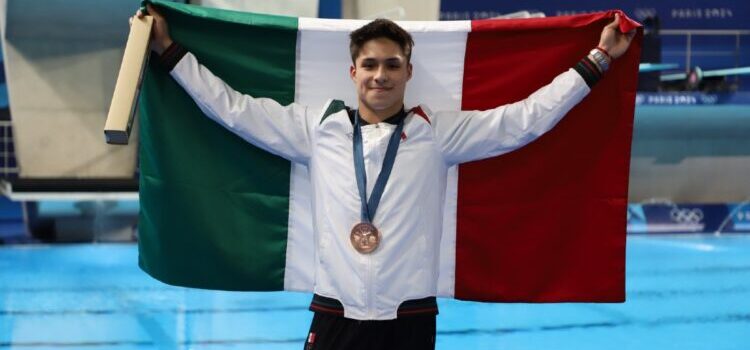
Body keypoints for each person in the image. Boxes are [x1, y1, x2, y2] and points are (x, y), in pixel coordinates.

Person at [134, 4, 635, 349]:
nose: (380, 75)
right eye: (369, 64)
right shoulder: (316, 129)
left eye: (391, 65)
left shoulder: (438, 133)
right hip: (334, 312)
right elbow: (233, 109)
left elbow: (524, 119)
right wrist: (170, 52)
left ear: (408, 71)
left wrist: (597, 59)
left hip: (409, 317)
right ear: (353, 73)